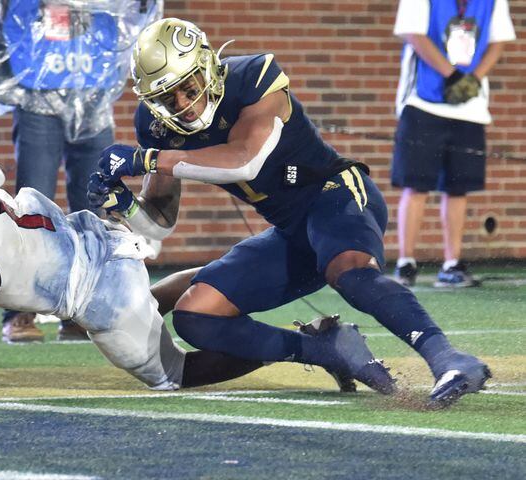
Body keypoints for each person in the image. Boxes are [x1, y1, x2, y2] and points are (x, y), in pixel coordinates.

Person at [89, 18, 489, 407]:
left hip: (335, 195)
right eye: (165, 97)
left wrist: (147, 160)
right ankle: (324, 349)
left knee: (348, 271)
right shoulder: (157, 128)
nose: (181, 104)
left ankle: (447, 358)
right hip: (291, 231)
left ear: (207, 66)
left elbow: (244, 160)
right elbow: (159, 222)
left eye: (187, 86)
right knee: (196, 315)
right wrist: (124, 204)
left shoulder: (254, 76)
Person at [0, 156, 394, 395]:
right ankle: (224, 279)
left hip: (96, 297)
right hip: (93, 235)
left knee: (173, 374)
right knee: (155, 300)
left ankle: (313, 348)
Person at [0, 0, 162, 342]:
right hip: (36, 88)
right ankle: (20, 314)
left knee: (97, 209)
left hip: (93, 88)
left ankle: (83, 311)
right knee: (30, 208)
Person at [391, 0, 516, 288]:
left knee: (458, 187)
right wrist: (452, 74)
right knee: (416, 183)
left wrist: (473, 79)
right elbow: (414, 35)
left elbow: (497, 42)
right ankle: (405, 262)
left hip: (469, 108)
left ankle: (451, 264)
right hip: (423, 103)